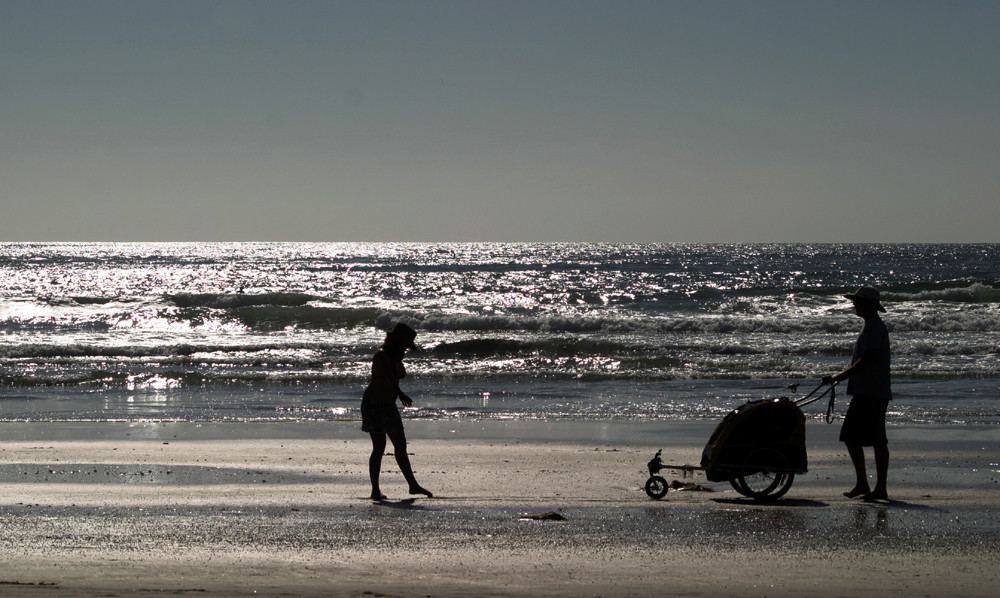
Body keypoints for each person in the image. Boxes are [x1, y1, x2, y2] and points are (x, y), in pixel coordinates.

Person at [823, 287, 892, 501]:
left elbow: (866, 360)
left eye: (859, 302)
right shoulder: (870, 326)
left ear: (870, 305)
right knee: (854, 437)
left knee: (875, 440)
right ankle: (864, 483)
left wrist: (838, 377)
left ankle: (878, 487)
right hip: (868, 390)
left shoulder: (874, 327)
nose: (855, 305)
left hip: (872, 391)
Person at [361, 322, 432, 500]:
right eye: (406, 344)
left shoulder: (395, 357)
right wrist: (401, 394)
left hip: (388, 406)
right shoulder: (382, 356)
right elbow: (389, 379)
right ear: (398, 341)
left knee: (400, 445)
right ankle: (375, 490)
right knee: (379, 447)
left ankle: (413, 485)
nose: (407, 348)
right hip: (374, 405)